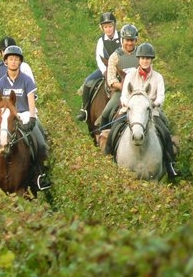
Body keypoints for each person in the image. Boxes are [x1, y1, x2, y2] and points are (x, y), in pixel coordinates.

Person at [0, 45, 51, 190]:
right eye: (10, 59)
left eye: (16, 59)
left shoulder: (27, 80)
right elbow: (0, 103)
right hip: (7, 116)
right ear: (6, 61)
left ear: (20, 62)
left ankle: (39, 175)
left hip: (24, 114)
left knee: (41, 143)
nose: (13, 62)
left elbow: (31, 99)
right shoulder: (1, 83)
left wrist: (32, 118)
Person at [116, 42, 178, 178]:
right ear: (138, 59)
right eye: (143, 58)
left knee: (165, 132)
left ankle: (170, 164)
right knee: (115, 129)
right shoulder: (130, 76)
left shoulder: (158, 77)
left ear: (151, 60)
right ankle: (109, 160)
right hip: (131, 111)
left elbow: (161, 95)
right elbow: (124, 96)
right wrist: (130, 104)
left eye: (148, 58)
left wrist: (153, 103)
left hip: (151, 111)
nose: (145, 61)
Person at [75, 12, 121, 121]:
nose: (108, 29)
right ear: (102, 28)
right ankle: (84, 110)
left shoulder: (121, 37)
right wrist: (105, 71)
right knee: (88, 81)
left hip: (121, 68)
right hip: (105, 68)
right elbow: (99, 58)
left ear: (114, 26)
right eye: (106, 27)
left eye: (110, 26)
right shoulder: (101, 41)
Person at [99, 24, 139, 130]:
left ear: (136, 40)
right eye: (127, 40)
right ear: (122, 40)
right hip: (121, 92)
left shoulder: (141, 55)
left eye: (132, 40)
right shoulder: (115, 56)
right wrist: (124, 87)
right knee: (106, 112)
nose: (129, 43)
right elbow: (111, 79)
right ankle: (104, 138)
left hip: (140, 91)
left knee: (159, 114)